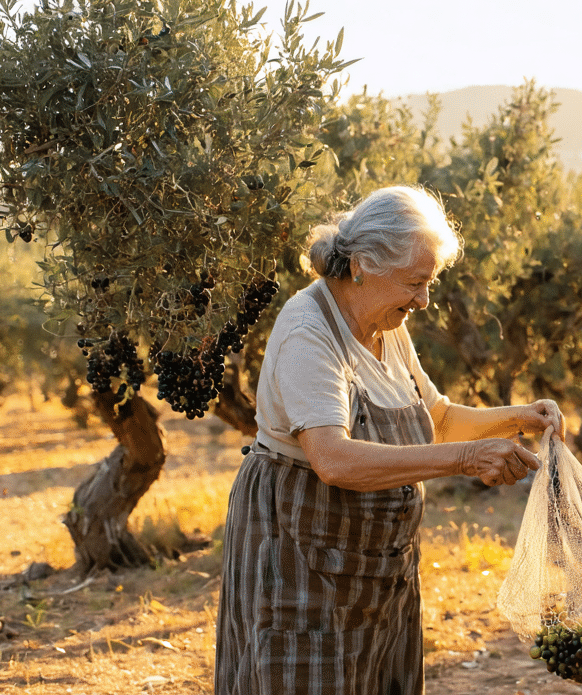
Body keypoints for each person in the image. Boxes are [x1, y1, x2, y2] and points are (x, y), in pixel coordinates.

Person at [214, 185, 563, 695]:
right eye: (416, 282)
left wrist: (520, 418)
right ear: (362, 266)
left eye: (430, 283)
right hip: (300, 557)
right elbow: (332, 459)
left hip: (377, 567)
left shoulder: (388, 324)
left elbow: (436, 418)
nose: (424, 300)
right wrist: (467, 459)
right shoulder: (308, 331)